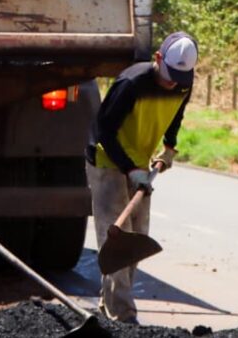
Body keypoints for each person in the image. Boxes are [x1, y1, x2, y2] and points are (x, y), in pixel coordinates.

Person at [85, 31, 198, 324]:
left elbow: (176, 113)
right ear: (158, 58)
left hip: (141, 162)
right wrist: (130, 169)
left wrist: (170, 147)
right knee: (117, 239)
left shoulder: (183, 81)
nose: (173, 83)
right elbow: (104, 131)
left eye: (180, 78)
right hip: (108, 160)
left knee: (137, 239)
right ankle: (123, 316)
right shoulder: (131, 83)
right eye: (170, 74)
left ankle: (108, 308)